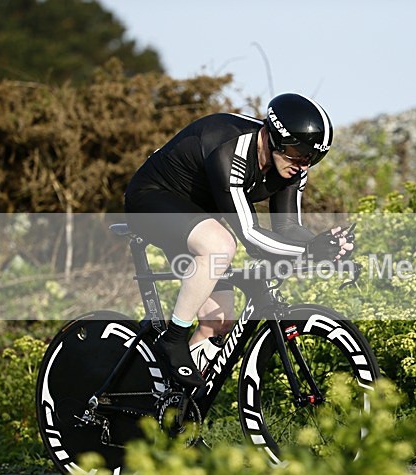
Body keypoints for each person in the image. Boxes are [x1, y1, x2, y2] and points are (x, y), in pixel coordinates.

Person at [124, 93, 354, 390]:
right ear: (273, 137)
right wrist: (309, 251)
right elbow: (251, 238)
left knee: (219, 322)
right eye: (298, 152)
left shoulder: (293, 167)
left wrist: (324, 245)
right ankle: (174, 338)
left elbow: (288, 227)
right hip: (150, 199)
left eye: (313, 157)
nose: (303, 164)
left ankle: (172, 408)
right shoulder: (231, 150)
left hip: (194, 214)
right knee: (221, 244)